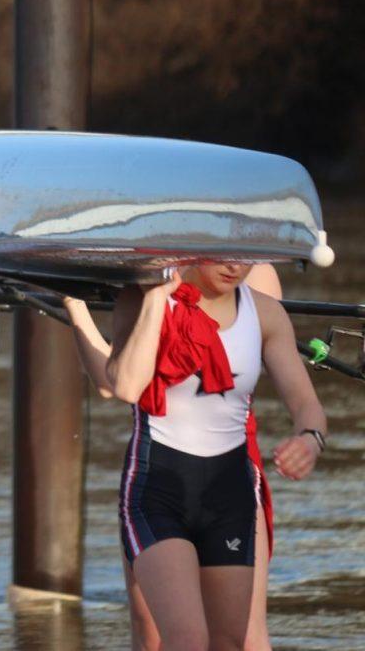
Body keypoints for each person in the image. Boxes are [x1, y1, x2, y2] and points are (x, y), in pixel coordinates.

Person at [105, 263, 327, 650]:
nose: (235, 265)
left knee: (231, 642)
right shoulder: (139, 297)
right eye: (222, 252)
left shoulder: (266, 312)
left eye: (244, 254)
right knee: (187, 640)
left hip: (230, 495)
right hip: (156, 491)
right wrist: (157, 298)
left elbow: (307, 405)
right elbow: (125, 385)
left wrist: (310, 439)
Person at [64, 265, 283, 650]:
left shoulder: (257, 275)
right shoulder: (147, 270)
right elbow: (110, 383)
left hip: (231, 465)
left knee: (245, 636)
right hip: (159, 462)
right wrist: (73, 302)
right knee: (151, 630)